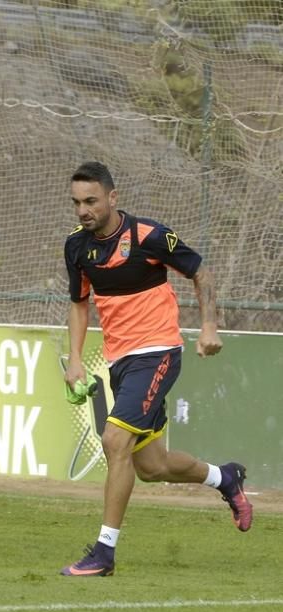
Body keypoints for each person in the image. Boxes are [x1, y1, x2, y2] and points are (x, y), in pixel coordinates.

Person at [60, 161, 252, 577]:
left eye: (90, 201)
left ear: (113, 197)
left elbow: (200, 271)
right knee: (151, 466)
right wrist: (75, 358)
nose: (82, 210)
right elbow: (79, 303)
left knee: (114, 440)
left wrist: (208, 326)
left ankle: (103, 553)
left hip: (160, 352)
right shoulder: (76, 247)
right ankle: (226, 478)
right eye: (76, 202)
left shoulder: (148, 235)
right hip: (121, 362)